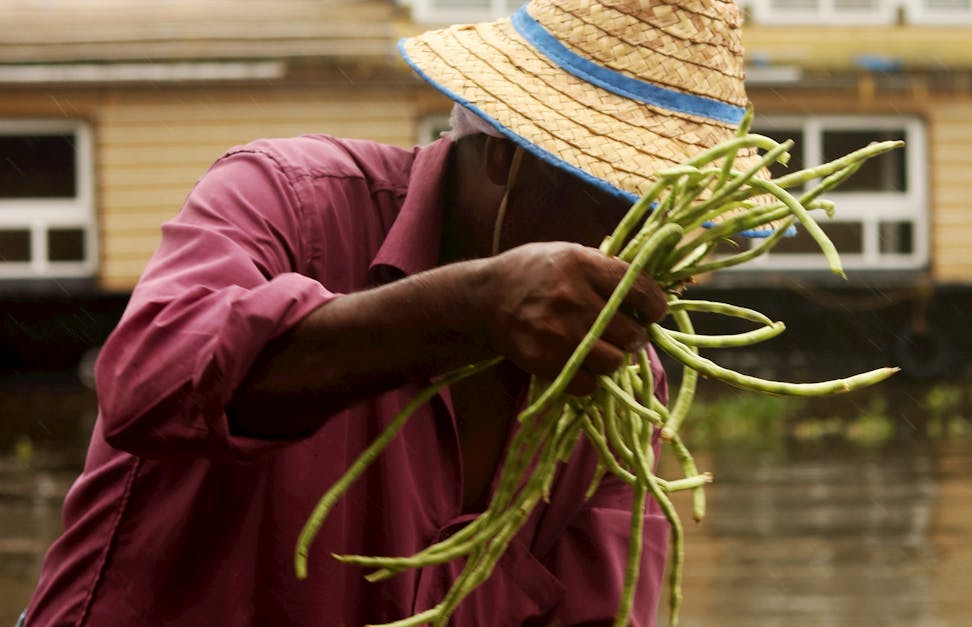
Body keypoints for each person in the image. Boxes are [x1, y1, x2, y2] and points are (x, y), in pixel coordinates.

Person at [20, 0, 760, 625]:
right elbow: (149, 380)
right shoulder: (285, 200)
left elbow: (605, 608)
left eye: (675, 217)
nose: (647, 262)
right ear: (510, 158)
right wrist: (468, 309)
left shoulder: (621, 388)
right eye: (631, 207)